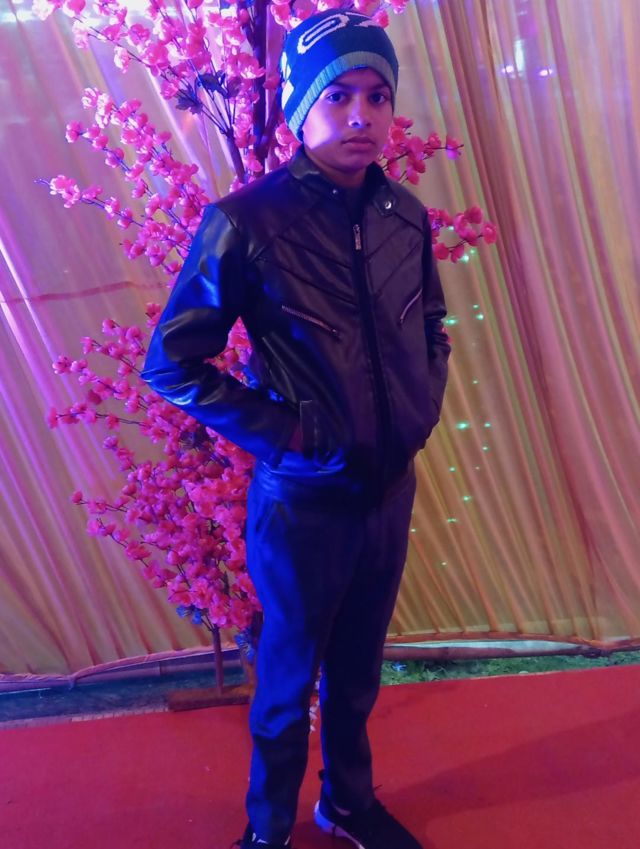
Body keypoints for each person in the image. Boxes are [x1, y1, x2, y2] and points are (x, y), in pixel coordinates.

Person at [142, 10, 450, 849]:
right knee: (286, 682)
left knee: (357, 672)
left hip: (387, 492)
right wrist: (289, 434)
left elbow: (433, 326)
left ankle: (347, 802)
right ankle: (267, 828)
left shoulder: (405, 216)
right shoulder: (247, 222)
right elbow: (172, 362)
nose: (362, 115)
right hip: (303, 504)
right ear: (300, 106)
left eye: (378, 95)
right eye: (339, 95)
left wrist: (420, 408)